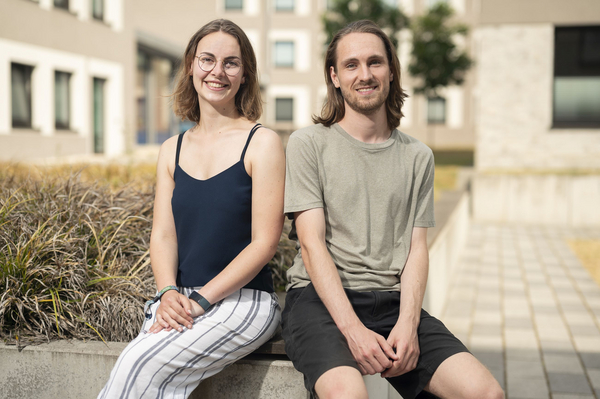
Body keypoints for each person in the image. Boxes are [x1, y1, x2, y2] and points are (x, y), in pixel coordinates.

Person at [282, 20, 504, 399]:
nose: (364, 74)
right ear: (334, 77)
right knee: (350, 395)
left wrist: (408, 322)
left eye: (375, 62)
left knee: (487, 393)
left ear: (391, 71)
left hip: (393, 304)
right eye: (351, 65)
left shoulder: (418, 157)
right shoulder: (308, 145)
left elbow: (418, 248)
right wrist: (353, 331)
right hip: (319, 301)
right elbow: (311, 244)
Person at [99, 19, 285, 398]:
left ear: (245, 74)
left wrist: (200, 301)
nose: (218, 71)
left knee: (139, 365)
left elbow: (265, 243)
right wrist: (167, 291)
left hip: (244, 301)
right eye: (208, 60)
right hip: (180, 298)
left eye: (231, 62)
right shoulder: (172, 149)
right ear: (190, 65)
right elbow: (163, 234)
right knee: (137, 366)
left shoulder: (262, 143)